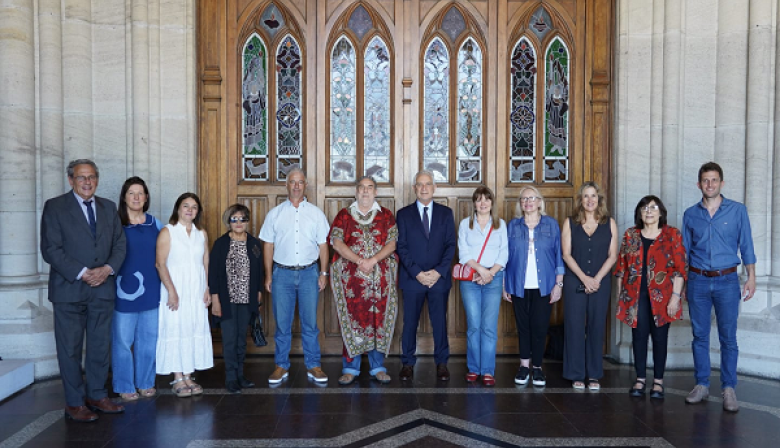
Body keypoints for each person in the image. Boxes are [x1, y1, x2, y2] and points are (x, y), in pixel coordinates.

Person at [40, 159, 127, 422]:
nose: (87, 182)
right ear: (70, 180)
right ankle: (75, 402)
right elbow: (50, 249)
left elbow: (120, 245)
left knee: (100, 347)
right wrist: (82, 272)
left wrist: (107, 269)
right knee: (70, 348)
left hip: (102, 288)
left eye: (91, 177)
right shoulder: (55, 207)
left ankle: (97, 395)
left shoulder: (109, 207)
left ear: (97, 179)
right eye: (81, 177)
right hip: (69, 289)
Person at [683, 162, 756, 412]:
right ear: (699, 184)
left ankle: (728, 388)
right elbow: (684, 252)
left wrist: (751, 277)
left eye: (714, 180)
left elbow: (746, 245)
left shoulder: (737, 211)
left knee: (728, 337)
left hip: (727, 281)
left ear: (721, 183)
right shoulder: (690, 214)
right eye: (705, 180)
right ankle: (701, 384)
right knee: (700, 335)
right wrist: (681, 284)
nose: (710, 185)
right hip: (698, 280)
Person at [259, 168, 330, 384]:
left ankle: (314, 365)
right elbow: (268, 246)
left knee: (310, 324)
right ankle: (281, 366)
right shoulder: (275, 214)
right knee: (282, 324)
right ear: (287, 185)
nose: (296, 186)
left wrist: (323, 272)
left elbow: (323, 245)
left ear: (305, 185)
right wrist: (269, 275)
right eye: (292, 182)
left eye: (300, 182)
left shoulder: (316, 213)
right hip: (282, 275)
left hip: (309, 273)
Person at [614, 195, 686, 400]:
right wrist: (621, 298)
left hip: (663, 297)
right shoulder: (631, 235)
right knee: (638, 337)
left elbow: (680, 269)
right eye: (644, 208)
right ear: (639, 213)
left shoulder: (672, 235)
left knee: (660, 337)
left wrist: (675, 298)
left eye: (653, 207)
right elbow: (621, 268)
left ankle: (658, 382)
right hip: (636, 296)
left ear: (661, 212)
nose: (649, 211)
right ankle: (640, 379)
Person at [329, 176, 399, 385]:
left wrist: (373, 260)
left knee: (379, 322)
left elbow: (392, 243)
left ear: (375, 192)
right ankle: (351, 367)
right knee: (352, 322)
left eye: (370, 188)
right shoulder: (344, 215)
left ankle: (377, 367)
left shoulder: (386, 215)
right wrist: (360, 260)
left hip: (381, 283)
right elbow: (337, 243)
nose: (366, 192)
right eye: (362, 188)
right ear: (356, 191)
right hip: (352, 283)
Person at [396, 170, 457, 381]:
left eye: (428, 184)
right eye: (420, 184)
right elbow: (401, 247)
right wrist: (417, 273)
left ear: (434, 188)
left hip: (438, 280)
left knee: (439, 322)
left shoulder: (446, 213)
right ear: (414, 188)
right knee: (410, 323)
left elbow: (451, 246)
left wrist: (438, 272)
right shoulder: (403, 214)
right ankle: (407, 363)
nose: (424, 188)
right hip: (413, 278)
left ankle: (441, 363)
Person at [503, 186, 564, 387]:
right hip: (518, 285)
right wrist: (505, 284)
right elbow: (504, 258)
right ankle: (523, 366)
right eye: (524, 199)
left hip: (544, 285)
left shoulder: (551, 225)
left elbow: (558, 256)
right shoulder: (512, 226)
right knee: (523, 328)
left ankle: (537, 367)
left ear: (539, 201)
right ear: (520, 204)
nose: (528, 202)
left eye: (532, 198)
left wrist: (559, 284)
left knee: (539, 327)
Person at [561, 181, 618, 391]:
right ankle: (575, 373)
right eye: (586, 196)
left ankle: (593, 374)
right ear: (580, 200)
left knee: (596, 326)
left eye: (593, 196)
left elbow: (613, 256)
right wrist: (585, 279)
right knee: (574, 326)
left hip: (600, 282)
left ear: (599, 199)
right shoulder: (570, 223)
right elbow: (566, 254)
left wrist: (597, 279)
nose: (590, 200)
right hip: (575, 280)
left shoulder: (609, 223)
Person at [155, 193, 213, 397]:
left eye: (194, 207)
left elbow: (205, 261)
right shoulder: (167, 232)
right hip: (175, 289)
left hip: (196, 289)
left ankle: (189, 375)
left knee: (192, 327)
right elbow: (160, 264)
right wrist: (171, 291)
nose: (190, 210)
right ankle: (177, 377)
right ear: (178, 208)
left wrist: (207, 288)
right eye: (185, 205)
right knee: (176, 328)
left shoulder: (201, 233)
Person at [112, 177, 163, 401]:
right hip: (123, 291)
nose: (136, 197)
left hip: (151, 289)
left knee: (148, 339)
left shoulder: (156, 224)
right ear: (124, 197)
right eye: (131, 193)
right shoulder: (115, 224)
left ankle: (145, 382)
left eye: (140, 193)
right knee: (123, 341)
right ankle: (124, 384)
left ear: (146, 197)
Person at [209, 204, 264, 393]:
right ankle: (231, 377)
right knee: (230, 339)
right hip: (227, 299)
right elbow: (214, 274)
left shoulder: (254, 243)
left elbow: (259, 270)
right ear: (229, 222)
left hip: (246, 298)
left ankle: (240, 374)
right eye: (235, 219)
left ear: (247, 221)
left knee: (242, 339)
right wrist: (215, 300)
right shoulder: (221, 244)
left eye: (242, 219)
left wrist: (258, 292)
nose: (239, 222)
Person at [458, 186, 508, 386]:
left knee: (488, 327)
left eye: (486, 199)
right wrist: (480, 270)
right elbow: (463, 252)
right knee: (474, 325)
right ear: (474, 203)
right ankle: (473, 368)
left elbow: (504, 253)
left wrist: (490, 273)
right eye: (479, 200)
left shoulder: (500, 225)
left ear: (491, 203)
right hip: (471, 278)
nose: (483, 203)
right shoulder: (465, 224)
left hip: (493, 279)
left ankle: (487, 370)